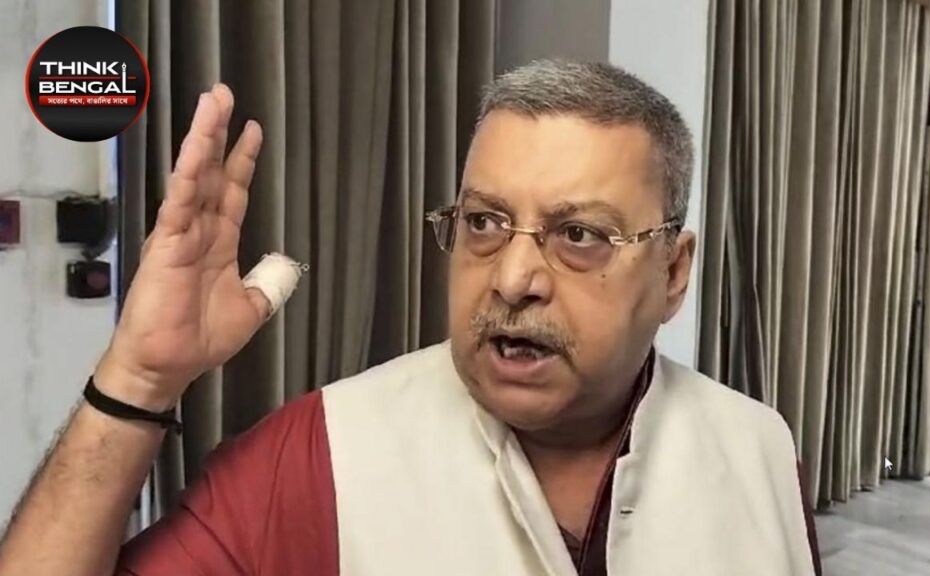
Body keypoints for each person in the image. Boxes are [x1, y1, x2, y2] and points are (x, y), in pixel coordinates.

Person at [0, 60, 817, 576]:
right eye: (484, 222)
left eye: (578, 236)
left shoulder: (759, 449)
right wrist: (139, 375)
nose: (514, 279)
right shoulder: (315, 458)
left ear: (672, 272)